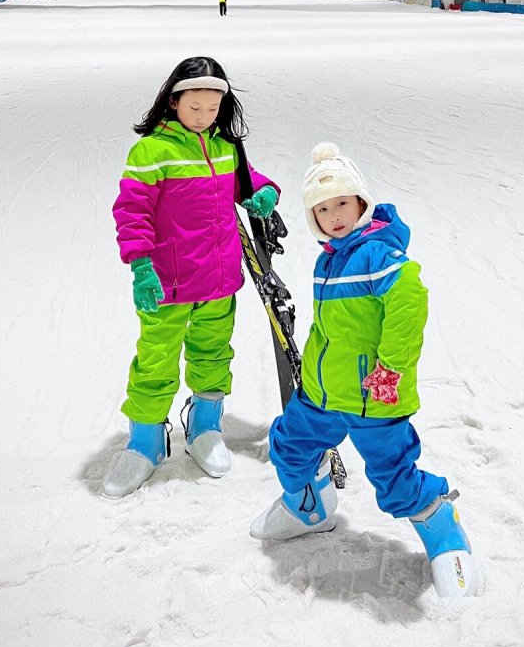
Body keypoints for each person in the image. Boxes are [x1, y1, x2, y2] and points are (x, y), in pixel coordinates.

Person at [250, 143, 485, 599]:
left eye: (342, 203)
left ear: (361, 203)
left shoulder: (377, 253)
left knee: (393, 478)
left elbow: (409, 303)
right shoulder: (330, 258)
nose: (334, 215)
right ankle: (309, 507)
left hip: (373, 395)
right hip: (322, 395)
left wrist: (390, 369)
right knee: (288, 446)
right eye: (322, 209)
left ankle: (440, 520)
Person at [103, 56, 280, 498]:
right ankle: (145, 441)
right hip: (168, 283)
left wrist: (264, 191)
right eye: (194, 107)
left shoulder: (224, 146)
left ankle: (204, 425)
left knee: (213, 353)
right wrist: (142, 266)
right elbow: (132, 211)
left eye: (212, 109)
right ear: (173, 101)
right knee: (155, 359)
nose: (204, 117)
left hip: (220, 280)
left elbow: (246, 180)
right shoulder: (153, 151)